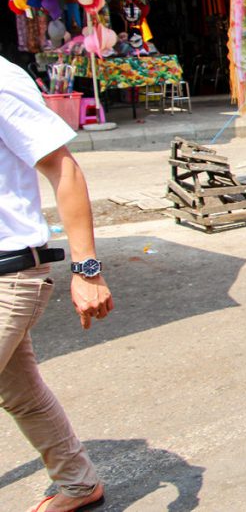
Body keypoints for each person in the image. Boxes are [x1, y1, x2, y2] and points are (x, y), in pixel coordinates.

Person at [1, 56, 113, 511]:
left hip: (8, 274)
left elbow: (62, 169)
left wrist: (87, 270)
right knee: (20, 393)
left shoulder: (2, 80)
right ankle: (78, 483)